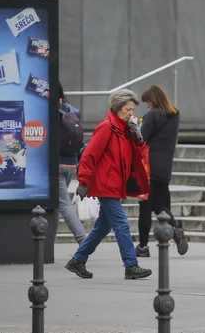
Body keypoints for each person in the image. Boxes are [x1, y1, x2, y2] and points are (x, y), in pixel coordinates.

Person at [65, 89, 153, 280]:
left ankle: (77, 260)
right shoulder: (107, 127)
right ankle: (131, 265)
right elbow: (90, 155)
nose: (131, 113)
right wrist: (83, 181)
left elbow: (137, 157)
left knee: (103, 226)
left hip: (115, 183)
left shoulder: (123, 129)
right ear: (118, 107)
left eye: (132, 109)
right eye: (128, 109)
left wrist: (137, 137)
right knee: (121, 224)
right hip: (106, 184)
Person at [135, 84, 188, 258]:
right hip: (165, 168)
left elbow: (141, 139)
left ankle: (143, 247)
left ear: (153, 100)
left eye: (147, 102)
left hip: (148, 167)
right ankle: (176, 230)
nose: (147, 105)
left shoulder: (152, 115)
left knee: (145, 208)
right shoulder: (175, 115)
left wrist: (135, 125)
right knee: (161, 207)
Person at [58, 84, 87, 245]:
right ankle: (46, 241)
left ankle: (83, 240)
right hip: (71, 164)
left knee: (63, 204)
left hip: (56, 164)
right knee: (55, 203)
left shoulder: (48, 110)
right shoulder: (73, 110)